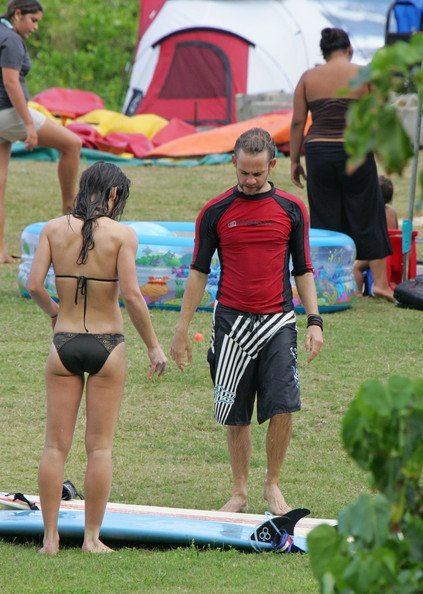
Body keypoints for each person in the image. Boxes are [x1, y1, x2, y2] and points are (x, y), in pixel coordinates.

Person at [170, 128, 323, 515]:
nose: (251, 181)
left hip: (277, 322)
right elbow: (198, 271)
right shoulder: (215, 211)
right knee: (235, 413)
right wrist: (182, 328)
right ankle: (239, 492)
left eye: (258, 173)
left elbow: (303, 269)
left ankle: (272, 484)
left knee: (283, 406)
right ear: (233, 163)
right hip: (231, 323)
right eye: (244, 173)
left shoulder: (292, 209)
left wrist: (314, 320)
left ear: (273, 165)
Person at [27, 161, 167, 555]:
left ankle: (50, 538)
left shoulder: (52, 230)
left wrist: (55, 313)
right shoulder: (122, 236)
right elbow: (133, 296)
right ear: (114, 194)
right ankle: (91, 538)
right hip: (107, 344)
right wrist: (153, 346)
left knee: (55, 446)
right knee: (99, 448)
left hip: (64, 342)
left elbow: (34, 284)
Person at [289, 27, 394, 302]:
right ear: (349, 49)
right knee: (369, 211)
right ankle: (380, 283)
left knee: (325, 218)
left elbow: (298, 122)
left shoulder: (308, 78)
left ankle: (328, 284)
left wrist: (294, 161)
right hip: (353, 150)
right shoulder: (364, 74)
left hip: (318, 152)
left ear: (323, 53)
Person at [0, 0, 82, 264]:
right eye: (33, 20)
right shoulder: (11, 39)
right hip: (8, 113)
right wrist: (27, 125)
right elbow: (11, 81)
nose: (35, 27)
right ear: (18, 14)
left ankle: (0, 250)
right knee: (72, 144)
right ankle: (69, 210)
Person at [353, 175, 399, 295]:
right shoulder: (392, 212)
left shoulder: (374, 213)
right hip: (395, 254)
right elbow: (396, 231)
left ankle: (358, 292)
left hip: (379, 253)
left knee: (356, 267)